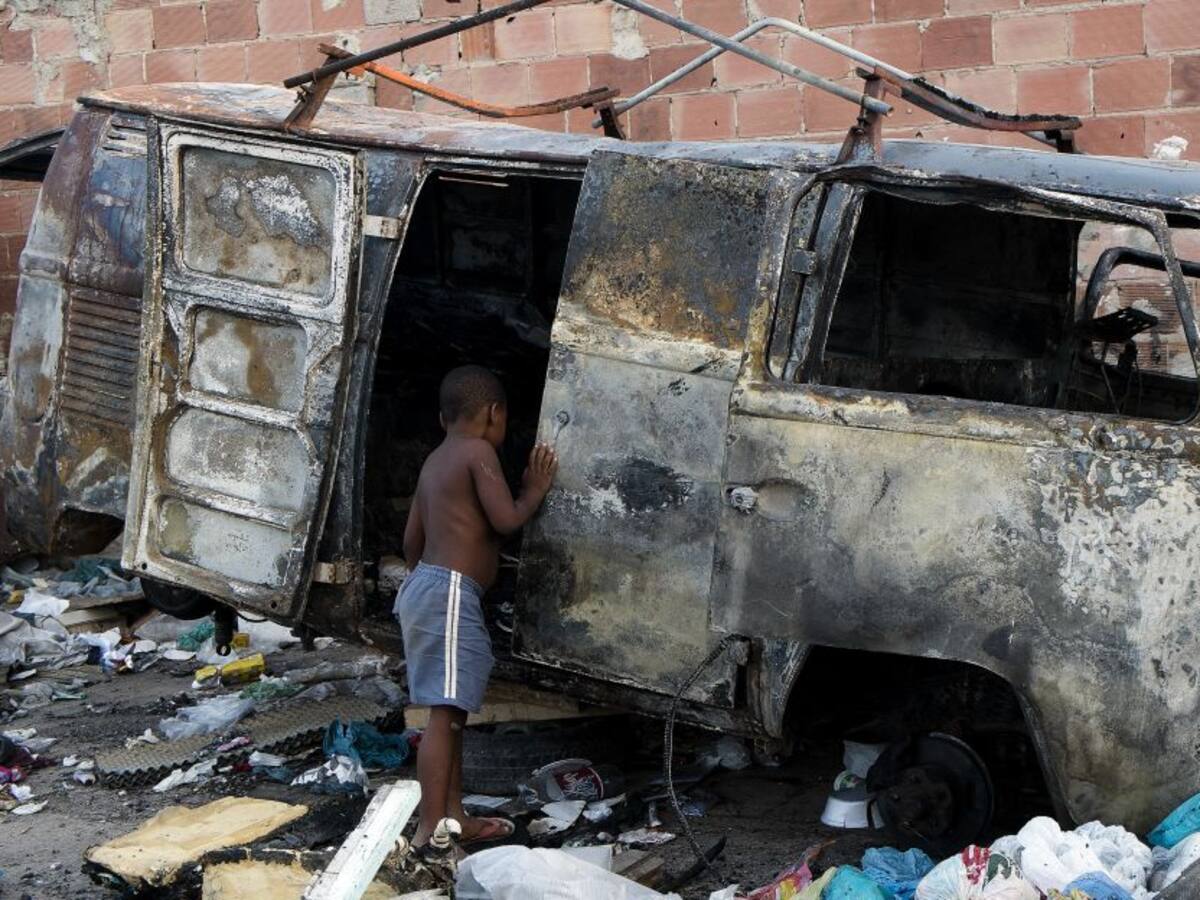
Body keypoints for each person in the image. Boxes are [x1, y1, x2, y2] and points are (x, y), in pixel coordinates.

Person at [396, 364, 558, 848]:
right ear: (494, 413)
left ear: (443, 418)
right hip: (447, 593)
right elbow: (507, 519)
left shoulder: (434, 462)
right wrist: (534, 488)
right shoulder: (478, 452)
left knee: (455, 713)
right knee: (444, 717)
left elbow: (410, 542)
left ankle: (454, 815)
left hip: (429, 587)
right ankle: (429, 828)